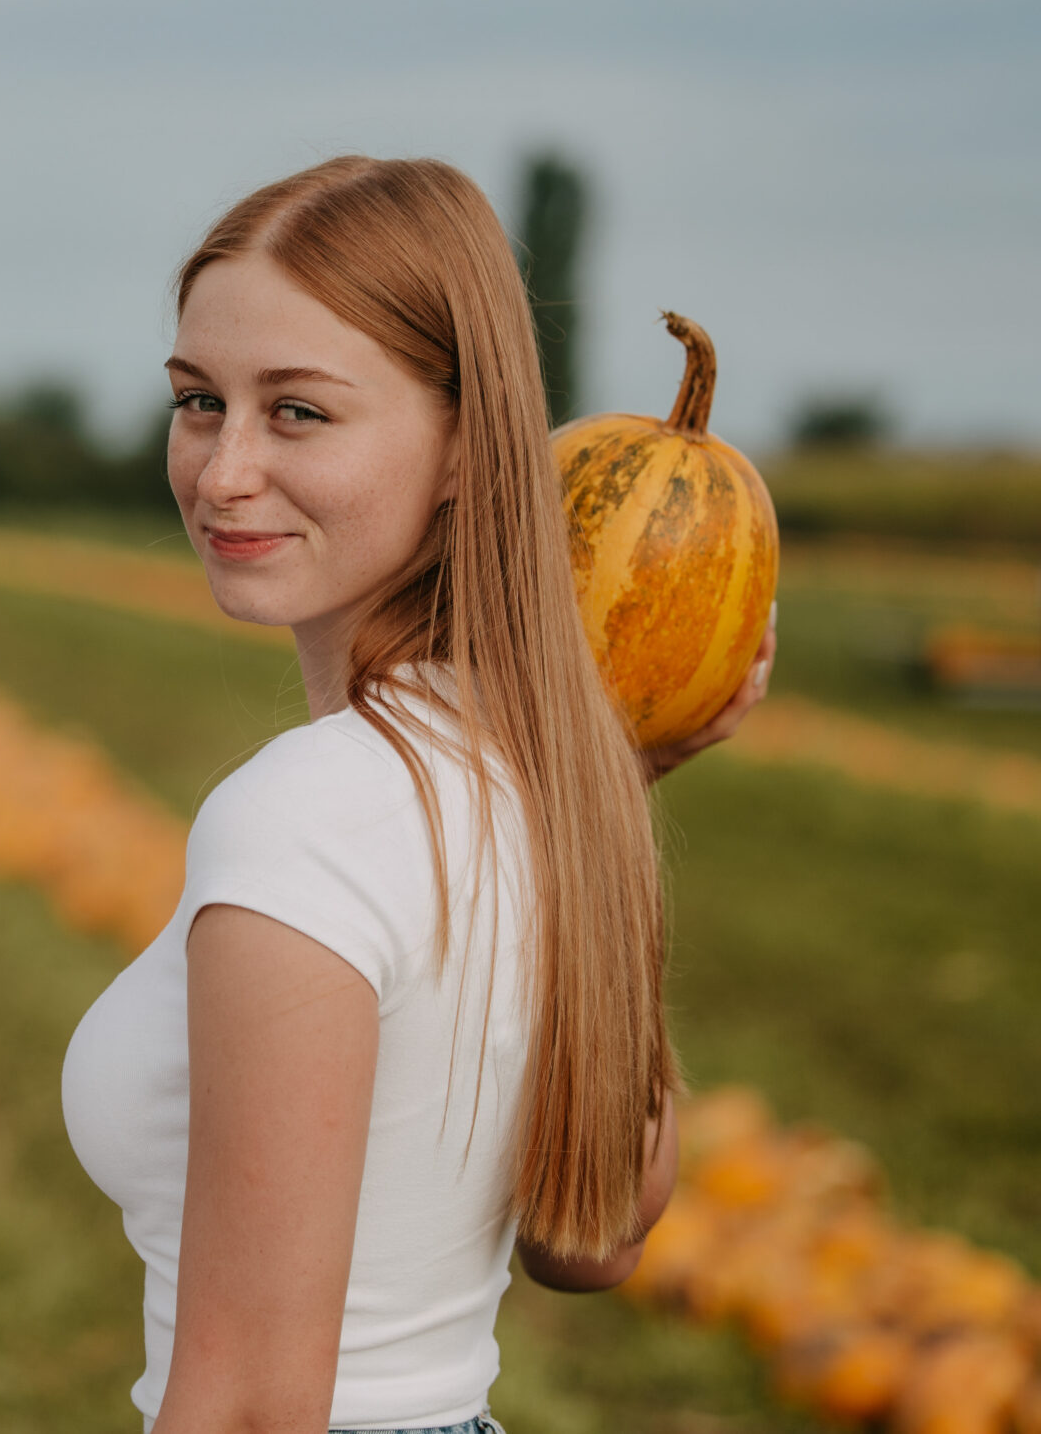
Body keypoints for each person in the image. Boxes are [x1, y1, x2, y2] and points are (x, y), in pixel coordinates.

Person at [61, 156, 773, 1434]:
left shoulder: (307, 812)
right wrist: (617, 790)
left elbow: (250, 1411)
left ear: (464, 449)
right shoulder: (525, 786)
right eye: (196, 402)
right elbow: (591, 1238)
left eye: (298, 413)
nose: (221, 473)